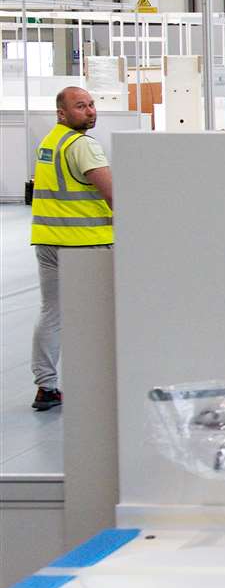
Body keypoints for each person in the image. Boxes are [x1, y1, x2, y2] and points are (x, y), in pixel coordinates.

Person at [30, 86, 115, 412]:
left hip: (49, 241)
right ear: (62, 113)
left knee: (52, 313)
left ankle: (46, 386)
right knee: (102, 317)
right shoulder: (83, 146)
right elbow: (113, 195)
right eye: (81, 106)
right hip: (86, 244)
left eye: (92, 105)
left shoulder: (50, 142)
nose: (91, 111)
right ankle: (102, 384)